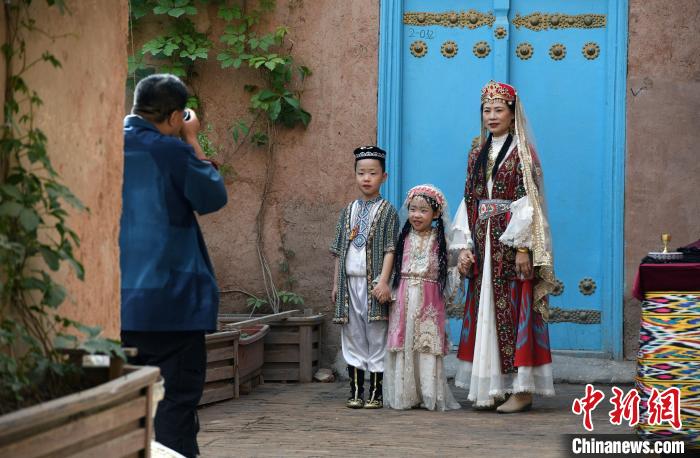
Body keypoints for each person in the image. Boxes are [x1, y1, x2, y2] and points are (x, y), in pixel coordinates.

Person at [120, 74, 227, 456]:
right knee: (173, 412)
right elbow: (212, 196)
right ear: (174, 116)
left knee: (123, 411)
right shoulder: (171, 150)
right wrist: (191, 139)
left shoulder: (107, 142)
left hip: (116, 305)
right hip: (171, 305)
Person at [452, 81, 557, 413]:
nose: (492, 116)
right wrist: (464, 245)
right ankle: (494, 387)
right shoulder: (477, 153)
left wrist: (524, 248)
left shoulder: (523, 153)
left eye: (499, 109)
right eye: (487, 110)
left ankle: (522, 391)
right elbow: (469, 199)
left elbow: (529, 202)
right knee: (486, 310)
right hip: (483, 243)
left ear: (513, 113)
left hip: (509, 244)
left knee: (513, 308)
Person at [330, 145, 399, 409]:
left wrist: (383, 281)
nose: (366, 178)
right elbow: (339, 250)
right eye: (361, 173)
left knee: (376, 334)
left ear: (384, 176)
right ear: (355, 175)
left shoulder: (388, 211)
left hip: (373, 286)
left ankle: (376, 393)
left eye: (372, 173)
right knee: (353, 335)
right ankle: (356, 391)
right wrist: (335, 284)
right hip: (349, 284)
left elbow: (391, 249)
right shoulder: (348, 210)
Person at [384, 184, 461, 411]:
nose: (416, 215)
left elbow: (452, 269)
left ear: (436, 214)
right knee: (404, 342)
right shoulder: (403, 238)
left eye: (423, 210)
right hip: (404, 296)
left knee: (426, 345)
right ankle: (405, 395)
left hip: (429, 298)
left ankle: (428, 394)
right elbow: (393, 269)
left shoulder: (442, 240)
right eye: (413, 209)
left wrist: (461, 268)